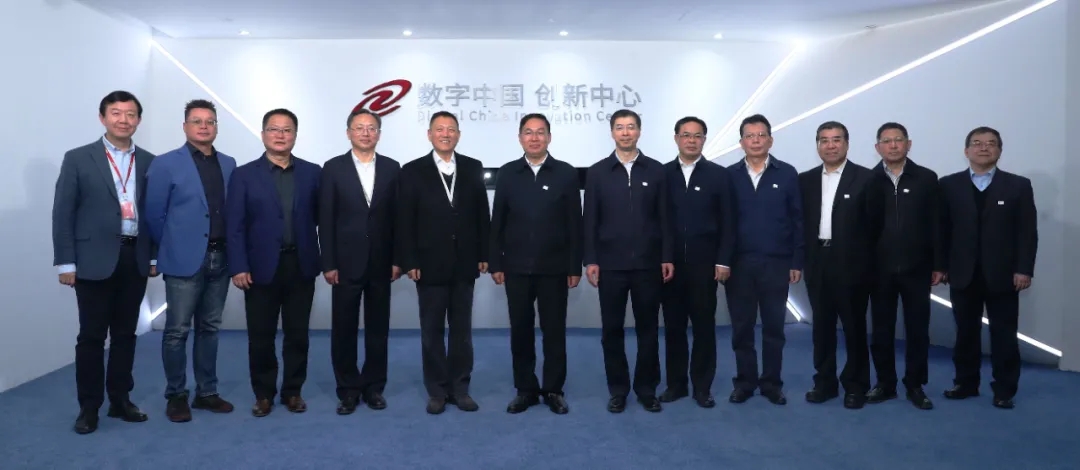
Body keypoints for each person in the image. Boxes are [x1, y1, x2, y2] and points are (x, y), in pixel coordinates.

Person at [52, 90, 157, 434]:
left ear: (138, 120)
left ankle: (120, 400)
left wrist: (153, 255)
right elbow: (63, 212)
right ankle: (89, 407)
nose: (123, 120)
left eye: (130, 114)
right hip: (92, 259)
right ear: (103, 118)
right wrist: (66, 263)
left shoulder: (150, 161)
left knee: (126, 334)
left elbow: (155, 214)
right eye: (116, 113)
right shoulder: (78, 158)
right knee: (92, 336)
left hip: (134, 256)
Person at [144, 99, 237, 422]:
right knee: (177, 331)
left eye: (210, 121)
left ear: (216, 127)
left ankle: (207, 392)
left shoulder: (229, 163)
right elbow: (154, 215)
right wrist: (170, 247)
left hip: (221, 258)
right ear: (185, 126)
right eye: (197, 121)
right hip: (183, 259)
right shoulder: (165, 164)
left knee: (209, 328)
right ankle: (176, 395)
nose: (204, 126)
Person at [226, 108, 321, 417]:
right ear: (263, 134)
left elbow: (323, 219)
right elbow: (234, 225)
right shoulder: (243, 175)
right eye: (274, 129)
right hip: (259, 268)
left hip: (301, 264)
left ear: (295, 135)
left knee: (298, 334)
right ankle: (263, 394)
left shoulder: (312, 173)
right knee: (261, 336)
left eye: (287, 130)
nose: (280, 135)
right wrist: (238, 265)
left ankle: (293, 391)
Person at [396, 111, 490, 414]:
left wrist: (484, 254)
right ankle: (436, 390)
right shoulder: (412, 170)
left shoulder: (473, 167)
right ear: (429, 134)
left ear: (458, 134)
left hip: (465, 263)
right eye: (440, 129)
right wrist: (409, 260)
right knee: (432, 330)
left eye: (451, 129)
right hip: (428, 264)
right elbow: (405, 220)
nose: (445, 134)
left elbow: (482, 214)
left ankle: (460, 388)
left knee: (462, 331)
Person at [939, 126, 1037, 409]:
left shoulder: (1018, 185)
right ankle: (965, 383)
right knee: (965, 333)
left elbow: (1027, 233)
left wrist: (1024, 269)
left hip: (1004, 274)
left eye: (991, 143)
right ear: (966, 150)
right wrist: (941, 266)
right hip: (962, 272)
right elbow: (942, 230)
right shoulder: (948, 185)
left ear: (999, 150)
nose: (984, 148)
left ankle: (1004, 389)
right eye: (977, 143)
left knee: (1004, 335)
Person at [583, 108, 674, 413]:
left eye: (631, 127)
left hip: (648, 264)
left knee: (648, 330)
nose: (625, 133)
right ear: (612, 132)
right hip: (610, 265)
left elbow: (665, 218)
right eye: (620, 127)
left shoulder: (656, 170)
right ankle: (618, 390)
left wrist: (666, 256)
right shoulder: (597, 172)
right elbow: (590, 220)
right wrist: (591, 260)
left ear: (639, 131)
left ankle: (647, 389)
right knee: (612, 331)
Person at [489, 113, 581, 415]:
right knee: (521, 330)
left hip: (555, 268)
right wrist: (496, 262)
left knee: (554, 331)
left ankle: (553, 389)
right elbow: (498, 221)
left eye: (540, 132)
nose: (534, 138)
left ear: (549, 138)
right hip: (516, 267)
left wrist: (574, 266)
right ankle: (525, 389)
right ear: (520, 138)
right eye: (528, 132)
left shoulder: (566, 173)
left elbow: (574, 223)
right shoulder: (508, 173)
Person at [320, 109, 402, 415]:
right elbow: (325, 219)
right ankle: (348, 390)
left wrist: (398, 259)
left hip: (382, 262)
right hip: (344, 263)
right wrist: (329, 262)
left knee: (378, 329)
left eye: (371, 128)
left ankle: (374, 387)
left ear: (378, 134)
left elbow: (399, 220)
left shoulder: (392, 168)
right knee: (344, 329)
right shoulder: (333, 168)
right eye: (359, 128)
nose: (366, 133)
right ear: (348, 133)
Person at [798, 121, 882, 409]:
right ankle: (824, 382)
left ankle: (856, 385)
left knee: (854, 327)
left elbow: (876, 227)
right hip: (817, 261)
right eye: (824, 140)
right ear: (818, 145)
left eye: (836, 140)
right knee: (821, 327)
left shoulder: (867, 178)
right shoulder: (805, 180)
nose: (830, 145)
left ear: (846, 144)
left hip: (853, 264)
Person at [725, 114, 803, 406]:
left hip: (776, 263)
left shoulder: (787, 173)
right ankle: (744, 382)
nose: (756, 140)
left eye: (761, 135)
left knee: (774, 328)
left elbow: (798, 220)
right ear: (741, 142)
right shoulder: (729, 176)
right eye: (750, 136)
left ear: (770, 140)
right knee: (742, 328)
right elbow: (722, 222)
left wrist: (796, 261)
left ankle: (771, 384)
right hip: (739, 265)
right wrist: (722, 261)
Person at [659, 116, 735, 408]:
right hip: (670, 266)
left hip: (705, 266)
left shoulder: (718, 175)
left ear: (704, 139)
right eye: (686, 135)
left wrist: (724, 260)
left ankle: (702, 387)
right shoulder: (662, 174)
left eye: (697, 135)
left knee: (704, 327)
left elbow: (728, 222)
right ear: (676, 138)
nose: (691, 140)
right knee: (674, 327)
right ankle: (676, 385)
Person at [866, 122, 942, 410]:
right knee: (881, 330)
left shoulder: (926, 178)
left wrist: (939, 264)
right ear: (878, 148)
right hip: (879, 269)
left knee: (918, 330)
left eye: (898, 140)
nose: (893, 145)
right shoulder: (868, 180)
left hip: (917, 267)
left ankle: (915, 385)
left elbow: (937, 224)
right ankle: (885, 384)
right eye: (887, 141)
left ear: (908, 144)